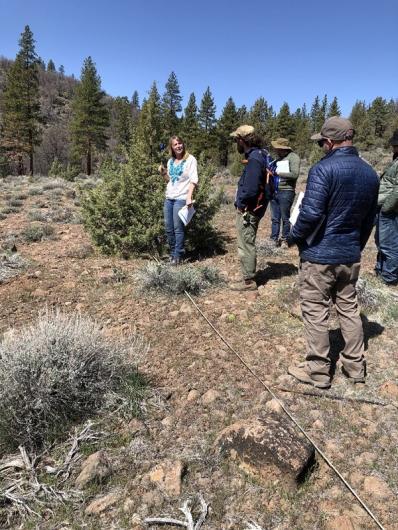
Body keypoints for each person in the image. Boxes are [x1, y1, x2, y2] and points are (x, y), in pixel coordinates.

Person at [286, 117, 379, 389]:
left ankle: (318, 370)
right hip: (350, 254)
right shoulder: (369, 172)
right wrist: (356, 247)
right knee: (348, 308)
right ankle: (354, 366)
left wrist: (294, 237)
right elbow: (369, 219)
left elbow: (311, 213)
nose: (321, 148)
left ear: (329, 142)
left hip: (320, 256)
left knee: (315, 310)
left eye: (322, 143)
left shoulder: (322, 170)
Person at [229, 125, 274, 291]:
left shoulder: (254, 158)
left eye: (236, 139)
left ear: (242, 140)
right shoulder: (261, 154)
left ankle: (249, 281)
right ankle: (248, 275)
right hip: (257, 206)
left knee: (246, 243)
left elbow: (251, 189)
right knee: (247, 241)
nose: (236, 143)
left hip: (250, 209)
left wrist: (241, 204)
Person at [161, 136, 198, 265]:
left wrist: (189, 197)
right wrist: (164, 173)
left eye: (180, 143)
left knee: (178, 228)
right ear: (171, 147)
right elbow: (171, 180)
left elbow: (194, 180)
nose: (178, 146)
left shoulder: (190, 160)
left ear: (183, 144)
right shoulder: (170, 161)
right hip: (169, 197)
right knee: (168, 228)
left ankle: (178, 256)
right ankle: (172, 254)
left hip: (181, 198)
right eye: (175, 144)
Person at [375, 130, 398, 286]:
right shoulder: (395, 160)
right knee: (382, 242)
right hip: (385, 207)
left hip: (389, 210)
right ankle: (381, 271)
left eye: (395, 145)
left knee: (389, 244)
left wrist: (386, 208)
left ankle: (389, 278)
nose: (392, 147)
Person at [269, 138, 300, 247]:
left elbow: (295, 174)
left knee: (285, 217)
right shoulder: (278, 159)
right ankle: (273, 239)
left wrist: (280, 173)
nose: (275, 150)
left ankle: (285, 239)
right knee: (274, 218)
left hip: (286, 191)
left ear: (282, 148)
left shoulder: (294, 158)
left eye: (277, 148)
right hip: (274, 191)